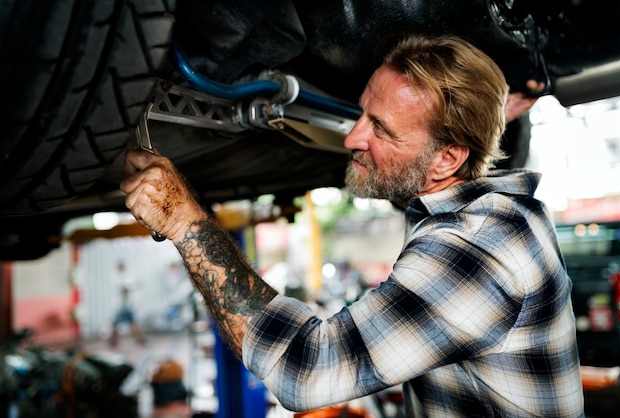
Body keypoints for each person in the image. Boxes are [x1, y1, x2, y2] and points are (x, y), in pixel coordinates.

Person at [121, 33, 584, 417]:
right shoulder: (496, 213)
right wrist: (481, 115)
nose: (352, 137)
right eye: (362, 111)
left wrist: (185, 221)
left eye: (380, 128)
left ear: (447, 159)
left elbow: (306, 369)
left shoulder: (479, 249)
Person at [109, 261, 146, 345]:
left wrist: (133, 287)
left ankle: (140, 338)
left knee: (134, 322)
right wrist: (134, 287)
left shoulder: (128, 276)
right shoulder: (115, 277)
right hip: (120, 306)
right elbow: (124, 289)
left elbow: (130, 286)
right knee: (115, 324)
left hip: (128, 305)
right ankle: (112, 340)